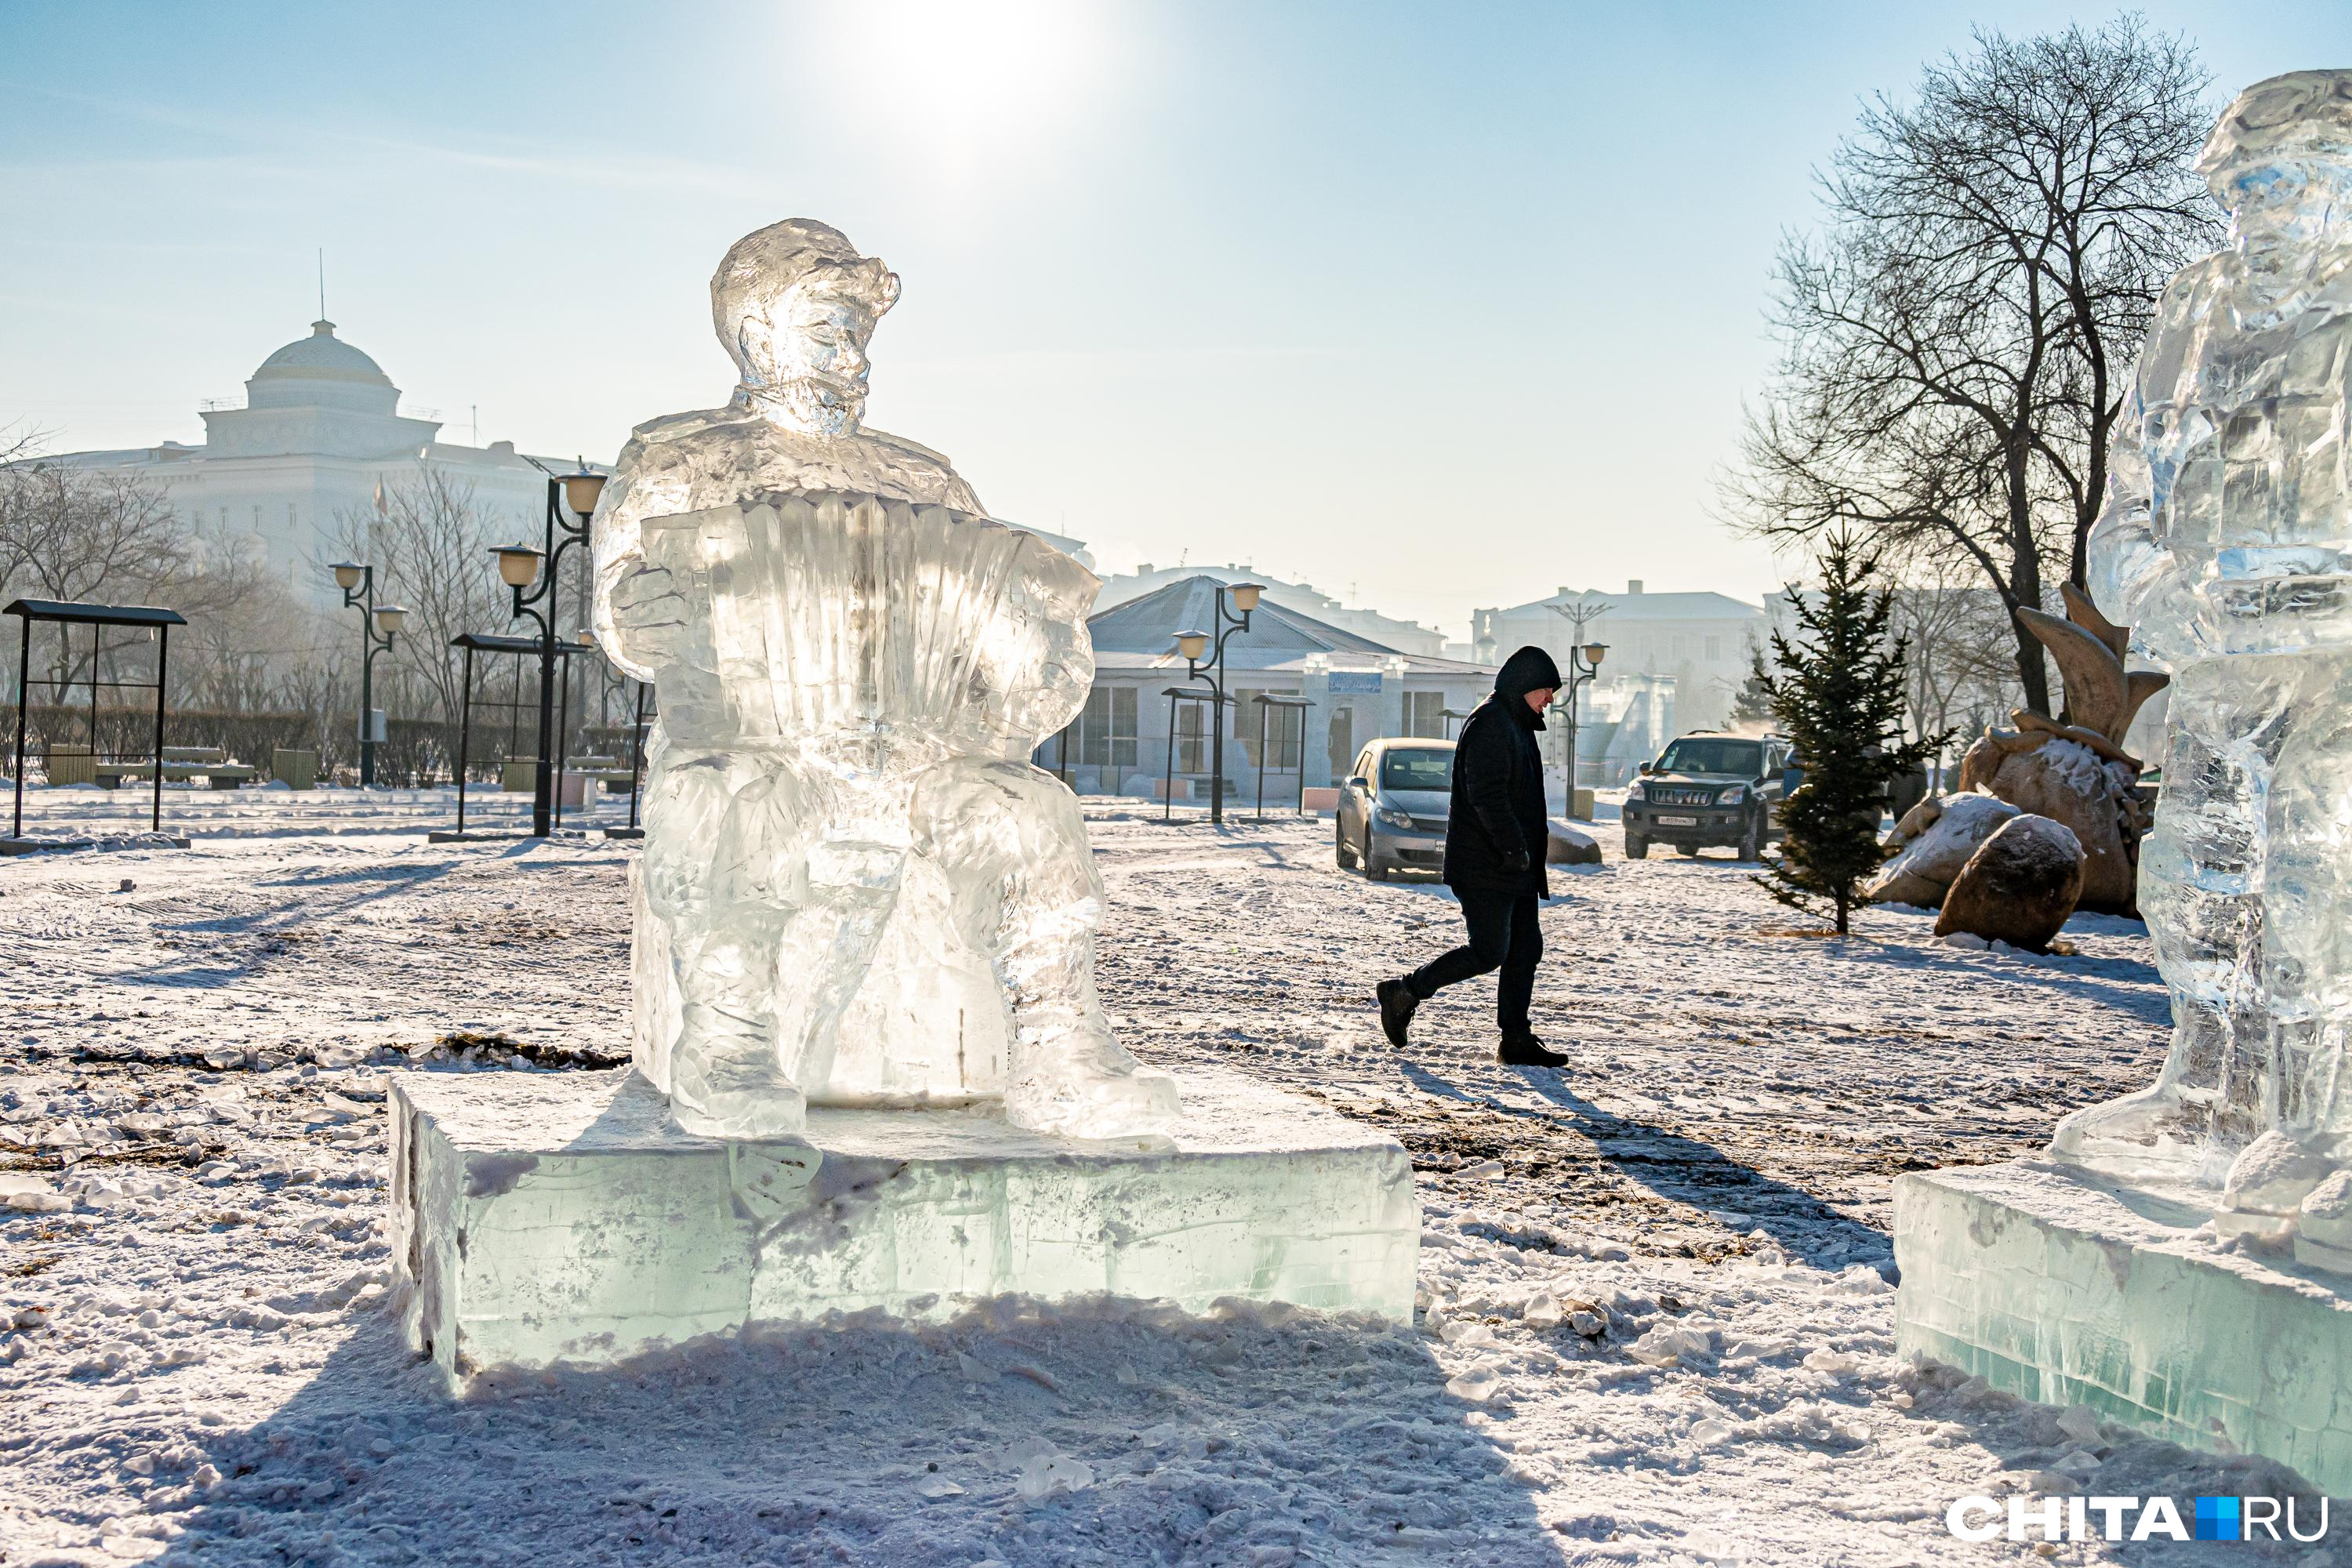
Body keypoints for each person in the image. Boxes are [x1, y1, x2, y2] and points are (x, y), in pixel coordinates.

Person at [1377, 645, 1570, 1067]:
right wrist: (1513, 847)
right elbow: (1487, 796)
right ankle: (1404, 992)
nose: (1550, 700)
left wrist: (1523, 853)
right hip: (1486, 864)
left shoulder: (1515, 723)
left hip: (1511, 865)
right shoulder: (1491, 725)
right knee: (1489, 951)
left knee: (1525, 949)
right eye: (1545, 690)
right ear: (1522, 688)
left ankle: (1516, 1038)